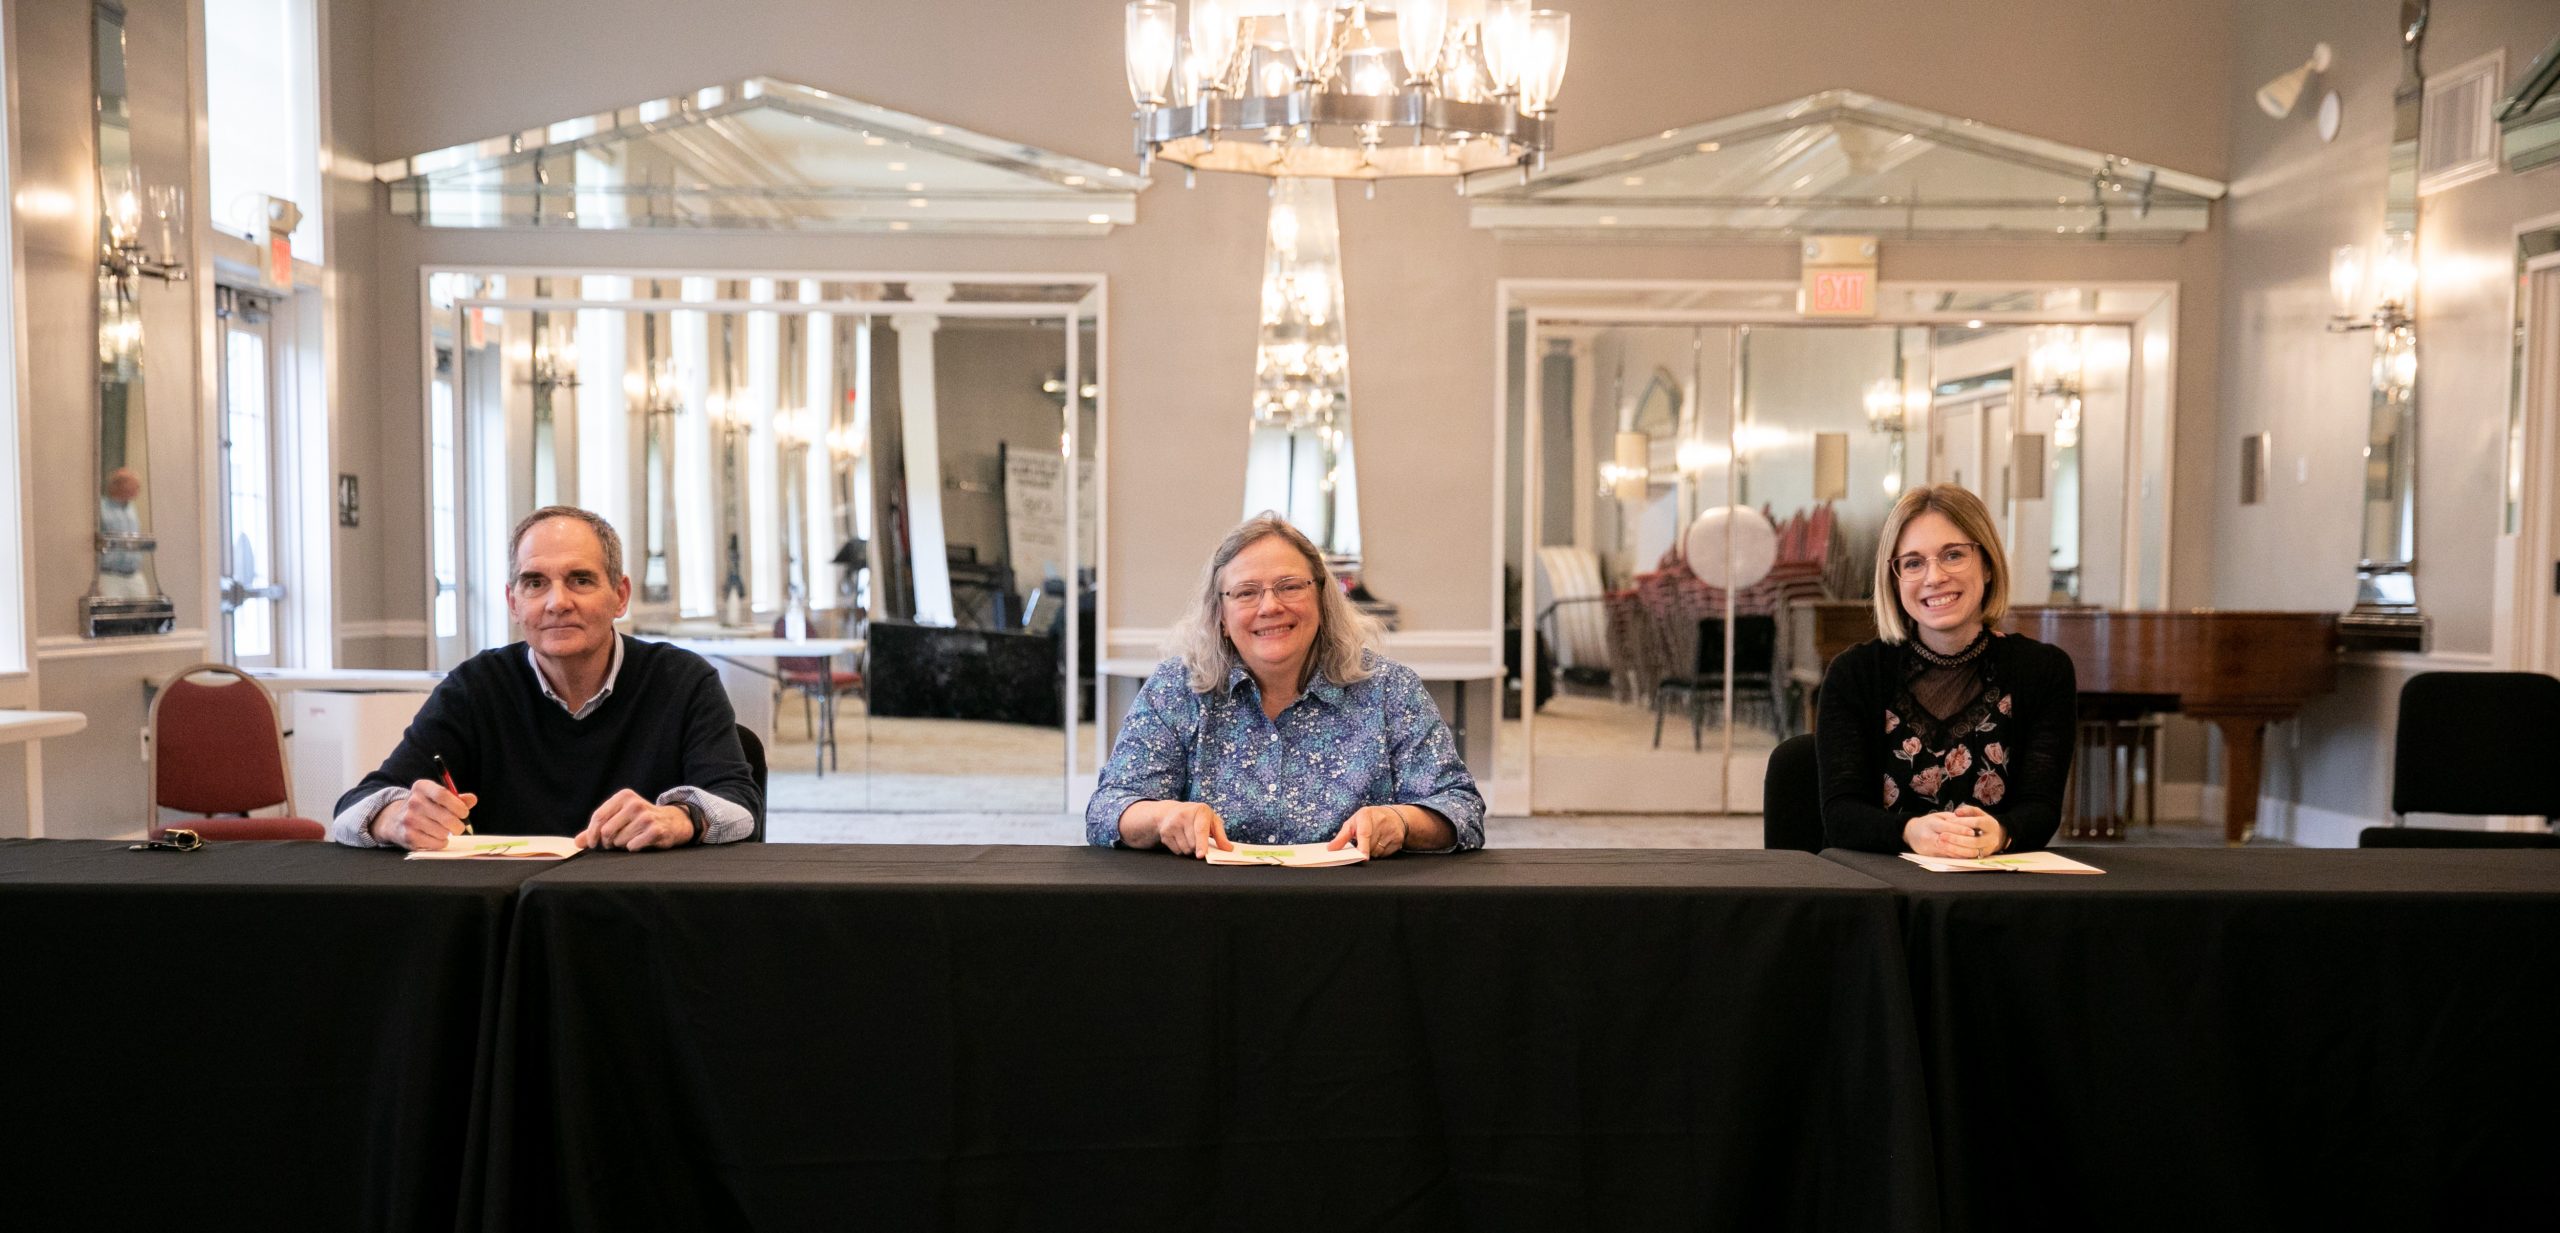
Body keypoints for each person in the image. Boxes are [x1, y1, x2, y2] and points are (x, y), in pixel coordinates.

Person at [331, 505, 762, 850]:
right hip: (509, 923)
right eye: (535, 583)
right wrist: (392, 818)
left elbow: (741, 807)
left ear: (620, 596)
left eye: (580, 580)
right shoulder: (475, 688)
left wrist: (681, 818)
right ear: (513, 602)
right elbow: (352, 809)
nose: (557, 602)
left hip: (646, 912)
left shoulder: (683, 680)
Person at [1086, 513, 1485, 858]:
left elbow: (1460, 809)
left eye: (1290, 586)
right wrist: (1163, 817)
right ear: (1221, 615)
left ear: (1322, 598)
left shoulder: (1390, 690)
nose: (1270, 606)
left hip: (1355, 910)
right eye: (1246, 592)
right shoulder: (1177, 687)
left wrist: (1400, 821)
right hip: (1209, 910)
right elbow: (1108, 808)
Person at [1816, 484, 2075, 857]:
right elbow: (1841, 816)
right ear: (1895, 579)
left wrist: (2001, 832)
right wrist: (1910, 831)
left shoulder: (2043, 671)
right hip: (1882, 896)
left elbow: (2041, 809)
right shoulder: (1854, 673)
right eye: (1913, 562)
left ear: (1987, 565)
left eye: (1953, 555)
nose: (1933, 577)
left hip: (1992, 891)